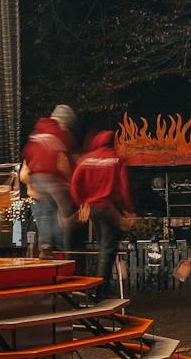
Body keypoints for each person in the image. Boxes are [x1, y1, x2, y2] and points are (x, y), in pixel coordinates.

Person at [70, 129, 135, 296]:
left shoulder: (86, 160)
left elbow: (75, 182)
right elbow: (123, 188)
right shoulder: (116, 159)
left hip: (92, 208)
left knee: (103, 245)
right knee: (108, 246)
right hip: (108, 207)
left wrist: (82, 203)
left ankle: (101, 285)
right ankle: (101, 289)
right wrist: (128, 209)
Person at [20, 105, 78, 258]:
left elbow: (26, 165)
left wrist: (33, 185)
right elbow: (63, 161)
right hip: (51, 178)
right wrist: (69, 182)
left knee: (45, 212)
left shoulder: (36, 133)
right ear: (64, 121)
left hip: (35, 180)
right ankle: (60, 248)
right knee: (62, 213)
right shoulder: (61, 133)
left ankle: (46, 245)